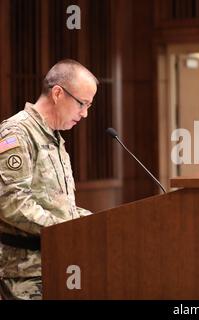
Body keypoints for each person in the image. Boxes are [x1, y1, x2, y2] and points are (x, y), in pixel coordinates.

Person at [0, 59, 98, 299]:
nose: (85, 114)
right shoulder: (17, 133)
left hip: (55, 264)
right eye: (82, 104)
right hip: (25, 273)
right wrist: (68, 230)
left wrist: (97, 223)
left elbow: (56, 204)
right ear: (57, 93)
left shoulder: (54, 137)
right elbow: (12, 203)